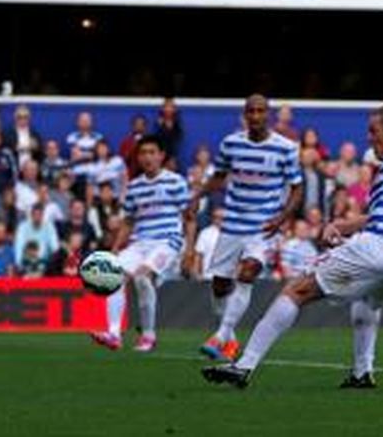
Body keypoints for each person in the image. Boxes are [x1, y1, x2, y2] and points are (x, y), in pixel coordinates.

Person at [201, 102, 383, 389]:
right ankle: (362, 373)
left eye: (373, 131)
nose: (369, 137)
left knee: (297, 290)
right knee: (367, 298)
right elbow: (377, 216)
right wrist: (341, 225)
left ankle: (243, 365)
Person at [195, 94, 303, 362]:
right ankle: (230, 342)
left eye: (260, 111)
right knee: (220, 285)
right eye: (251, 111)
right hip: (232, 223)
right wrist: (197, 195)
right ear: (245, 115)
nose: (255, 116)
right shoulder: (230, 144)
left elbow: (297, 188)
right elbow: (219, 177)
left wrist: (282, 217)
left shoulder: (285, 148)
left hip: (263, 225)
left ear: (268, 114)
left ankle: (220, 335)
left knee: (248, 272)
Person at [90, 135, 195, 353]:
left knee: (141, 276)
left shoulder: (175, 181)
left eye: (152, 152)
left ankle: (148, 335)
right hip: (140, 243)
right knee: (112, 274)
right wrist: (116, 249)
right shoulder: (135, 187)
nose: (147, 157)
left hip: (167, 241)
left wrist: (190, 251)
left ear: (161, 156)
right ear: (138, 157)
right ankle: (114, 333)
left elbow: (189, 217)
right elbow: (128, 221)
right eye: (143, 153)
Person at [194, 208, 224, 279]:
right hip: (208, 277)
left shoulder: (233, 234)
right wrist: (197, 274)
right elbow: (198, 255)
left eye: (221, 218)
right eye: (215, 217)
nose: (218, 220)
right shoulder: (205, 233)